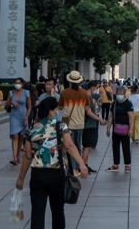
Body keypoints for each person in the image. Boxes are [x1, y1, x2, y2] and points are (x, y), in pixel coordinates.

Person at [16, 97, 88, 229]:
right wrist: (82, 164)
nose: (57, 112)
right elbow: (69, 146)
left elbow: (27, 156)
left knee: (37, 212)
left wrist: (21, 178)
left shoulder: (32, 128)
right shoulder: (61, 126)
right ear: (50, 111)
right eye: (55, 109)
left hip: (37, 175)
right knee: (58, 211)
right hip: (56, 175)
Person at [106, 88, 134, 172]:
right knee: (115, 147)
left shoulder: (128, 103)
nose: (119, 95)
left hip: (125, 129)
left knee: (126, 147)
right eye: (118, 93)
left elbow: (131, 118)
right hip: (116, 129)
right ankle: (116, 165)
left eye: (121, 93)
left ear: (124, 94)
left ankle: (127, 165)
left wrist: (131, 129)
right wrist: (108, 128)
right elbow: (111, 116)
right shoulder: (114, 103)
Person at [6, 78, 31, 166]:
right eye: (16, 83)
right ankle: (14, 158)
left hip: (23, 116)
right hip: (14, 116)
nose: (17, 85)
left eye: (19, 83)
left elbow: (29, 106)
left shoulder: (26, 92)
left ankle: (17, 155)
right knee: (15, 135)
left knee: (21, 136)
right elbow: (6, 105)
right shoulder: (11, 93)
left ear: (22, 84)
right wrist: (11, 102)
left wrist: (26, 117)